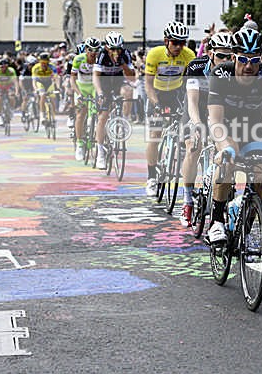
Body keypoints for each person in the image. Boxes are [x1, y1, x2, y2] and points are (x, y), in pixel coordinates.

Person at [205, 28, 262, 244]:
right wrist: (224, 147)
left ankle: (245, 228)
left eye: (255, 60)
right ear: (234, 57)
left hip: (253, 126)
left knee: (259, 174)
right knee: (229, 158)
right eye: (243, 60)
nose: (249, 66)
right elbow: (216, 120)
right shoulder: (221, 74)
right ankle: (216, 222)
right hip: (225, 126)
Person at [179, 31, 234, 227]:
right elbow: (192, 102)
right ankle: (187, 201)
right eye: (221, 56)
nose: (225, 60)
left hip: (218, 108)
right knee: (193, 147)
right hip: (198, 106)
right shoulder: (197, 66)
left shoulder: (235, 69)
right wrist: (196, 124)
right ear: (210, 54)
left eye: (230, 56)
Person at [144, 21, 195, 196]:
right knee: (155, 134)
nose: (179, 47)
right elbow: (148, 85)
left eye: (183, 43)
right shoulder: (155, 54)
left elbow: (193, 82)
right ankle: (151, 177)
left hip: (176, 94)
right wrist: (156, 105)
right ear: (166, 41)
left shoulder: (189, 55)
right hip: (156, 94)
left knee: (185, 130)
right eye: (175, 42)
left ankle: (178, 156)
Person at [93, 32, 135, 169]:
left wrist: (122, 64)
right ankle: (100, 152)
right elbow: (96, 76)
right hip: (104, 84)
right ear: (107, 47)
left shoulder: (125, 54)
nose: (116, 52)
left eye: (118, 49)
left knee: (128, 91)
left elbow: (132, 77)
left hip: (118, 83)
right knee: (103, 117)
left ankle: (124, 119)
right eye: (112, 49)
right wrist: (99, 93)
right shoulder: (101, 55)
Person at [71, 37, 101, 161]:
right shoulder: (78, 59)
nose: (93, 53)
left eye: (96, 50)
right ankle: (80, 144)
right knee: (80, 115)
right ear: (86, 50)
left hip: (94, 87)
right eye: (90, 50)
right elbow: (72, 79)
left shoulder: (100, 59)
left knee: (97, 113)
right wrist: (78, 93)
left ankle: (94, 133)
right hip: (81, 87)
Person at [32, 52, 58, 126]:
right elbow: (34, 81)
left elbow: (56, 77)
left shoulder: (52, 67)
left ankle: (53, 116)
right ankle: (42, 115)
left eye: (45, 63)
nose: (43, 64)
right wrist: (36, 89)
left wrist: (58, 87)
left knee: (53, 98)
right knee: (42, 95)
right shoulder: (35, 68)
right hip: (40, 83)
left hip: (49, 83)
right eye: (42, 62)